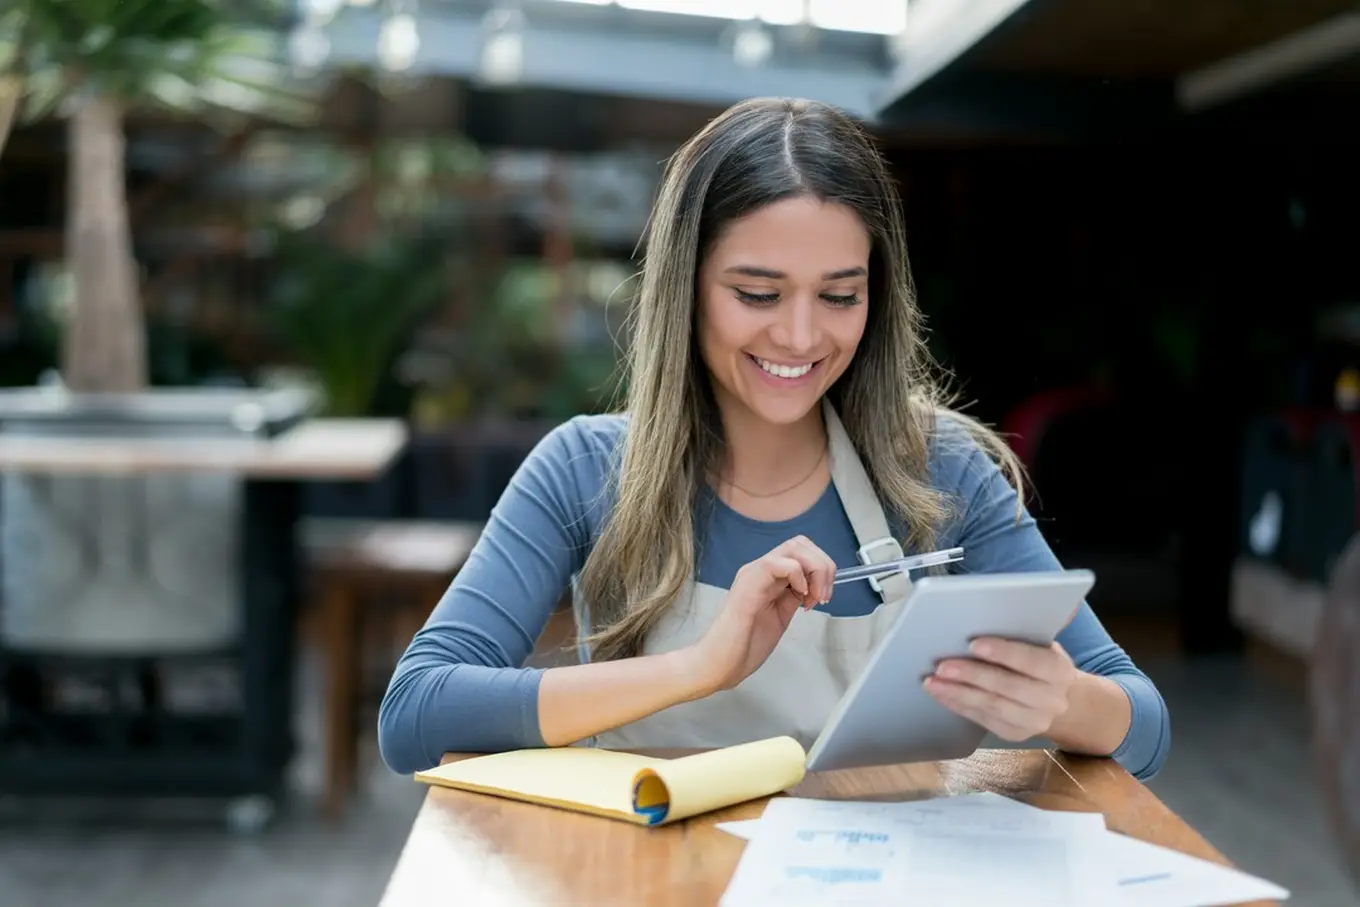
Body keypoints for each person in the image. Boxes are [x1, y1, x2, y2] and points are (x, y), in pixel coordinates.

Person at [377, 97, 1171, 781]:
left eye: (839, 294)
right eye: (757, 292)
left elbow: (1145, 725)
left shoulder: (943, 468)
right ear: (686, 286)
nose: (799, 335)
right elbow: (415, 713)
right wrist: (700, 667)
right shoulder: (585, 468)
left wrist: (1064, 702)